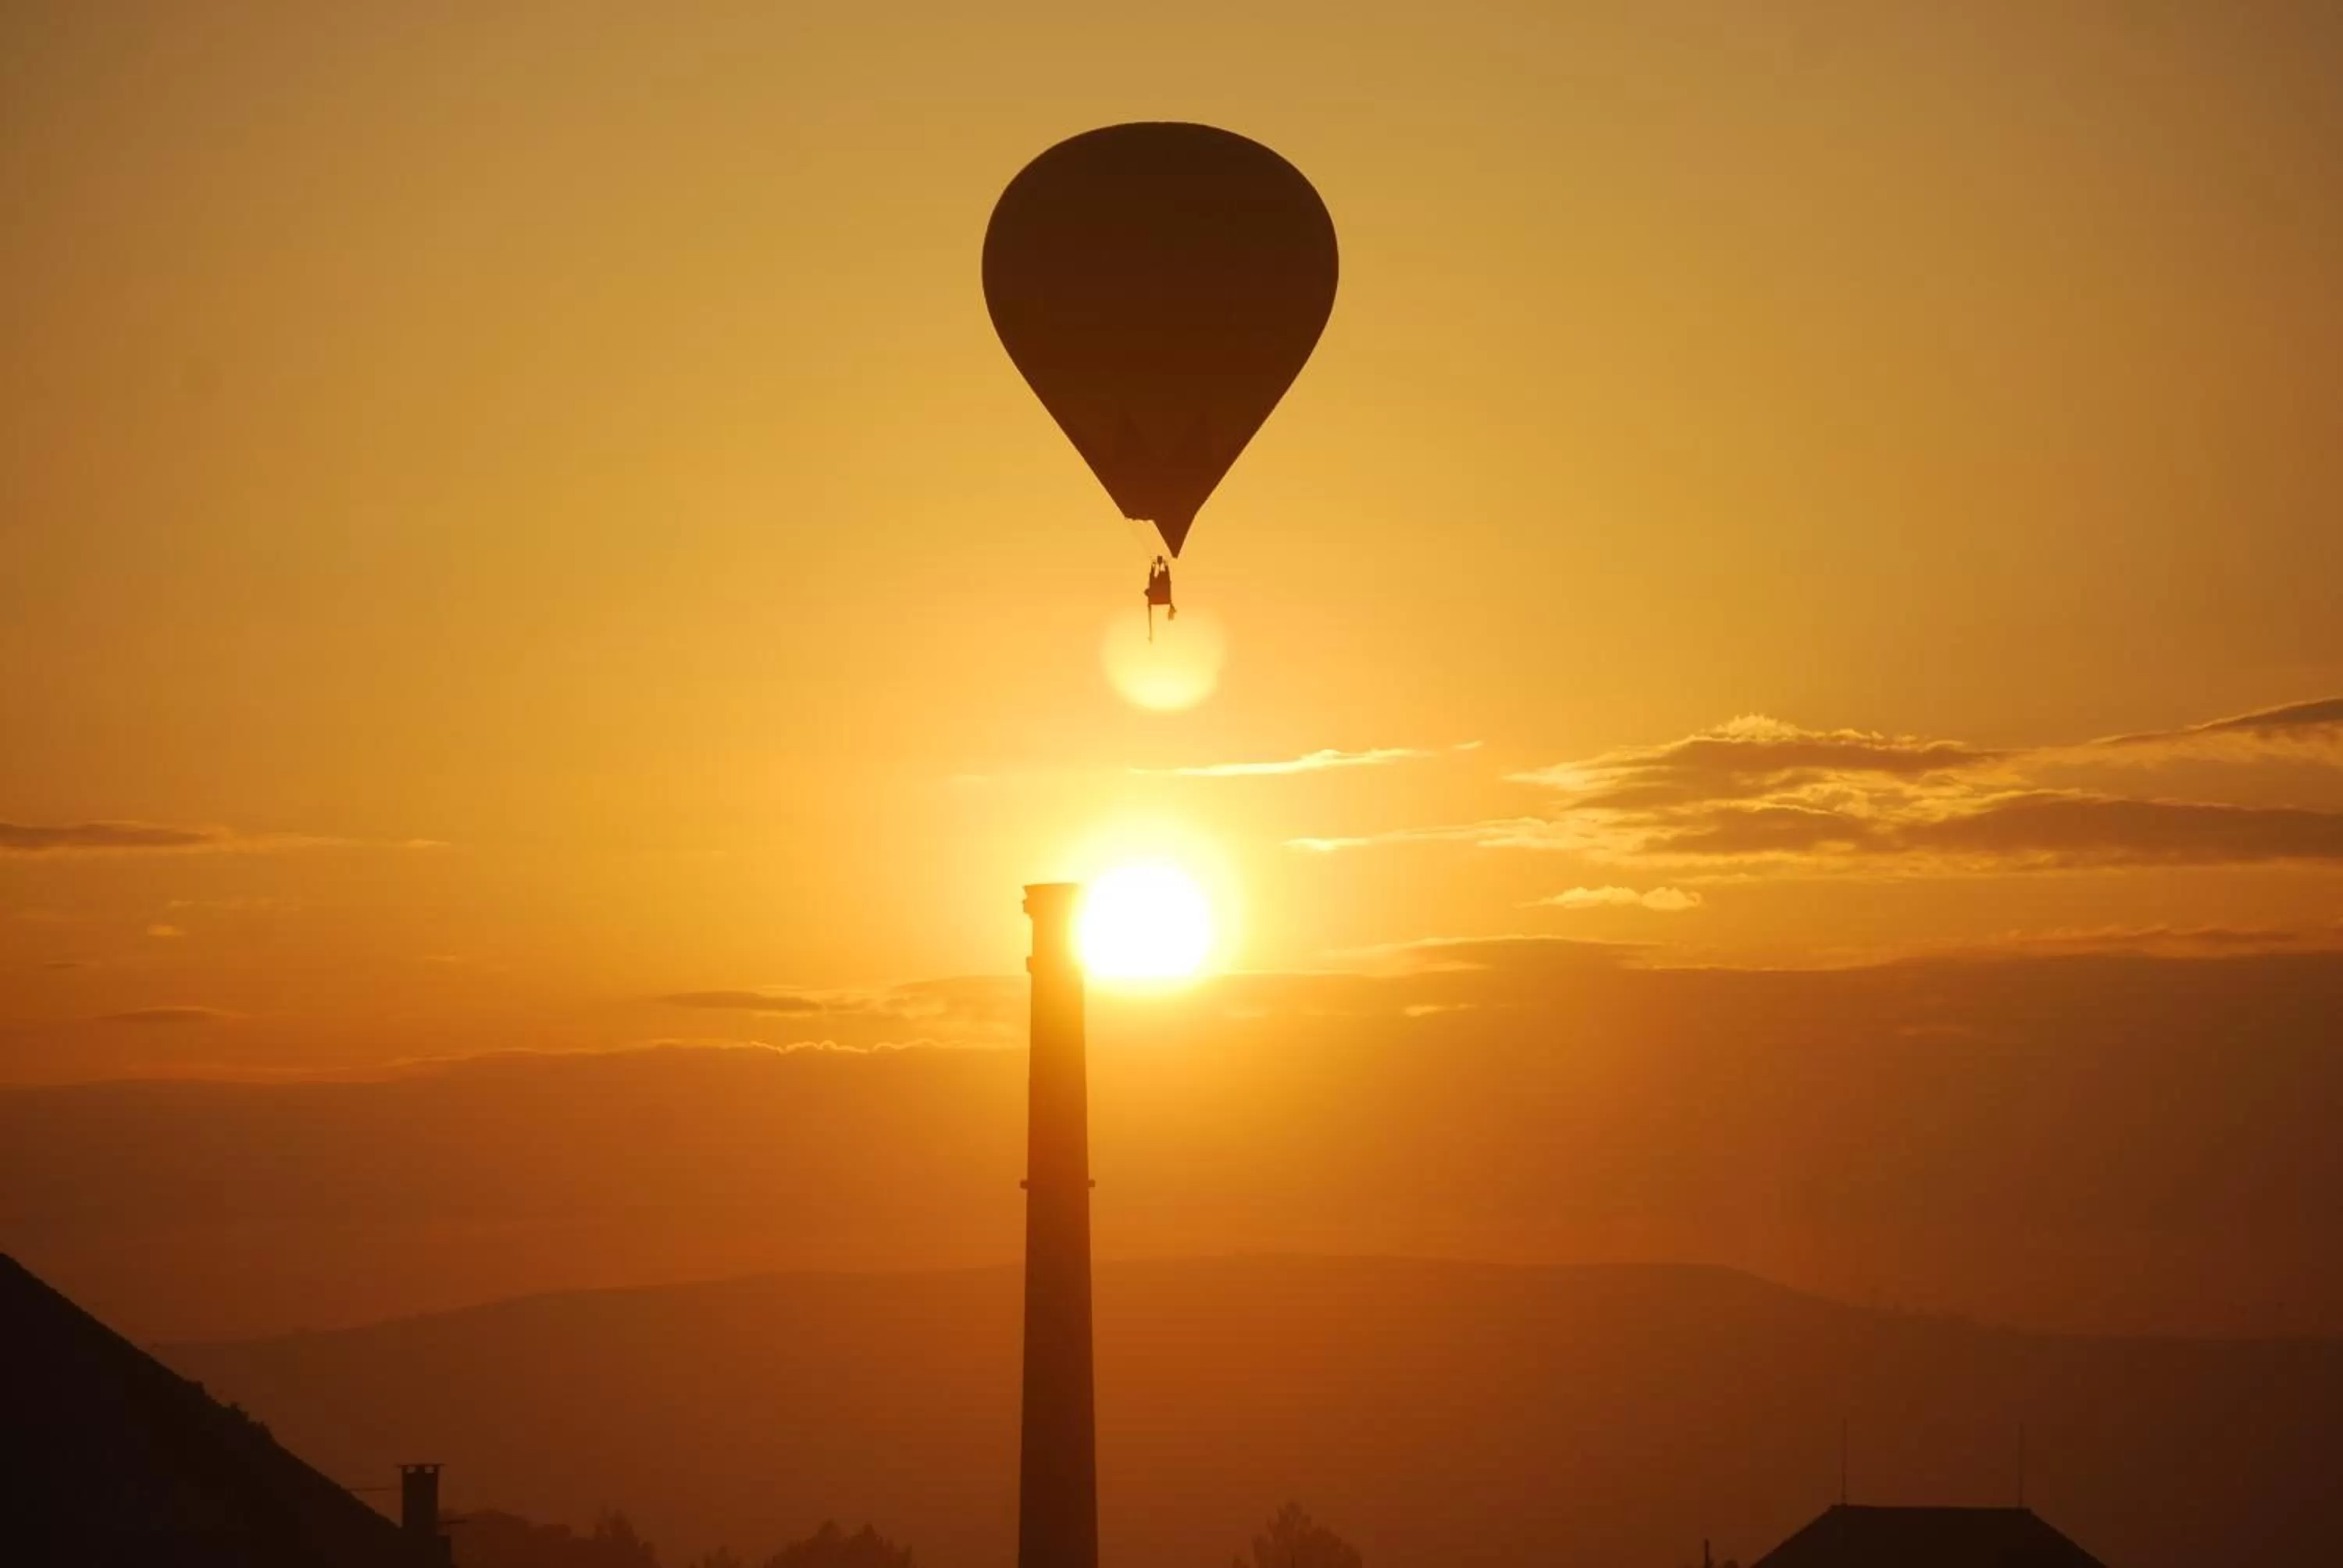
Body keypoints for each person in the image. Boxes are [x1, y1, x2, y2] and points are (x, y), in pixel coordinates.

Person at [1144, 555, 1176, 640]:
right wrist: (1156, 567)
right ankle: (1163, 566)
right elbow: (1154, 578)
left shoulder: (1154, 587)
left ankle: (1163, 566)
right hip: (1163, 590)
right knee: (1163, 577)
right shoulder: (1155, 586)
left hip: (1163, 592)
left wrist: (1154, 567)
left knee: (1162, 577)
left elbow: (1152, 578)